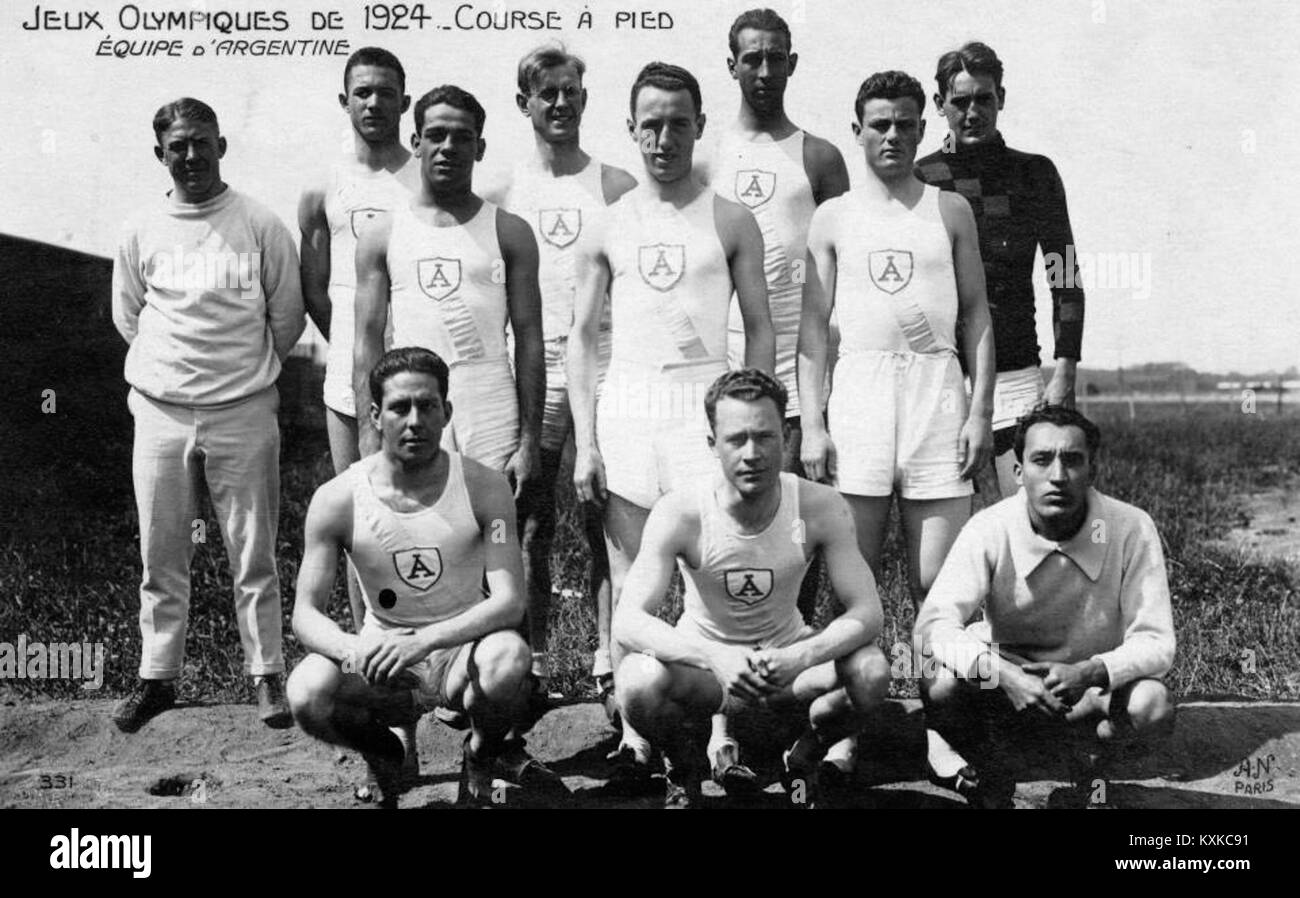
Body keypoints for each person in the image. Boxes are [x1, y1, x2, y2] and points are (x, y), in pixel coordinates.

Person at [569, 61, 775, 790]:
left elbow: (759, 329)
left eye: (678, 122)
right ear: (630, 128)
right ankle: (636, 738)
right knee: (630, 579)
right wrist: (587, 441)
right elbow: (582, 339)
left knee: (710, 571)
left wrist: (746, 424)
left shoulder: (728, 218)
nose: (663, 137)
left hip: (701, 411)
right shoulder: (608, 223)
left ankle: (722, 735)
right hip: (628, 407)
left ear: (699, 126)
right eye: (649, 123)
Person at [797, 70, 994, 792]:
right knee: (856, 586)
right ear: (858, 130)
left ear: (923, 128)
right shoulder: (834, 218)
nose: (892, 136)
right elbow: (813, 335)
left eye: (906, 123)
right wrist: (812, 422)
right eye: (878, 124)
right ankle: (848, 732)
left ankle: (941, 735)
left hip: (936, 397)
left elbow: (976, 317)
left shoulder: (949, 209)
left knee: (939, 587)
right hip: (861, 398)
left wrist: (977, 412)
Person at [286, 347, 569, 808]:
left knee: (509, 657)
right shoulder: (337, 499)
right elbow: (304, 613)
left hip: (459, 654)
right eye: (400, 407)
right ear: (376, 415)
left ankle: (480, 754)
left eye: (427, 406)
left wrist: (425, 642)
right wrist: (353, 650)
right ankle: (384, 755)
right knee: (306, 692)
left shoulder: (485, 486)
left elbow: (509, 601)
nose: (414, 420)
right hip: (382, 658)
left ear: (447, 412)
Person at [110, 97, 305, 732]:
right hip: (163, 412)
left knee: (252, 552)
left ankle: (266, 675)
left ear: (222, 145)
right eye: (177, 146)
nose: (190, 156)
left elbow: (286, 316)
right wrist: (173, 379)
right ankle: (158, 677)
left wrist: (241, 378)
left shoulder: (259, 223)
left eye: (202, 142)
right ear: (160, 154)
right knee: (161, 551)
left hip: (243, 408)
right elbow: (129, 316)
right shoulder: (141, 227)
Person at [612, 368, 890, 808]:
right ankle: (682, 766)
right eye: (736, 439)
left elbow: (868, 612)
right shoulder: (681, 511)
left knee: (871, 671)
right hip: (708, 670)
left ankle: (805, 755)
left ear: (785, 436)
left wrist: (799, 655)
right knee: (634, 682)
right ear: (711, 445)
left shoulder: (820, 506)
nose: (752, 453)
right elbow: (628, 620)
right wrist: (716, 657)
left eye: (764, 437)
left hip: (787, 663)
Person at [914, 406, 1176, 808]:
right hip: (1008, 687)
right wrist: (1005, 676)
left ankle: (1091, 765)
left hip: (1090, 690)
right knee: (938, 678)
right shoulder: (990, 526)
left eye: (1072, 460)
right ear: (1018, 472)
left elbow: (1158, 642)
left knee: (1152, 705)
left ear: (1093, 469)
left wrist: (1090, 671)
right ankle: (992, 770)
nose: (1057, 475)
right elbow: (933, 626)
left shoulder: (1131, 526)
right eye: (1041, 460)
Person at [481, 44, 637, 700]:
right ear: (524, 104)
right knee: (531, 522)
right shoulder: (503, 191)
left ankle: (609, 656)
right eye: (548, 93)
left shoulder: (616, 185)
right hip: (537, 370)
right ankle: (535, 662)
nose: (562, 103)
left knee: (608, 519)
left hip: (604, 369)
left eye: (572, 90)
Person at [916, 42, 1085, 499]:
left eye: (983, 99)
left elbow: (1064, 275)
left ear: (1001, 98)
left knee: (1030, 519)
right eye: (960, 101)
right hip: (940, 375)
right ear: (939, 106)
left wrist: (1065, 366)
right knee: (957, 532)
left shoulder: (1035, 175)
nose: (972, 112)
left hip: (1015, 374)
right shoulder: (920, 179)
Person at [353, 84, 544, 483]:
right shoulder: (382, 233)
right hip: (412, 398)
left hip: (488, 396)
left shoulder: (510, 231)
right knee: (414, 525)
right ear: (416, 142)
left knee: (493, 529)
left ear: (480, 148)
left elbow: (528, 338)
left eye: (462, 137)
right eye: (436, 135)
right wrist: (369, 437)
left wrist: (528, 442)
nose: (449, 147)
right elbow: (367, 340)